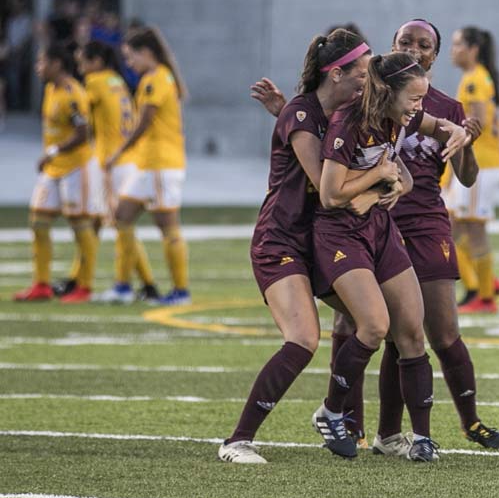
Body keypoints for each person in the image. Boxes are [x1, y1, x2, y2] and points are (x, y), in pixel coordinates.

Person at [218, 29, 373, 464]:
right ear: (336, 73)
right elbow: (327, 184)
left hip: (320, 240)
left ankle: (337, 416)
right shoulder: (302, 116)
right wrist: (381, 175)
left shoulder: (324, 112)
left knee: (374, 320)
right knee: (303, 339)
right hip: (281, 240)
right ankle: (237, 441)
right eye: (361, 73)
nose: (368, 81)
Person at [311, 51, 467, 462]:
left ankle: (420, 438)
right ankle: (331, 411)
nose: (420, 107)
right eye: (414, 98)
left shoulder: (406, 117)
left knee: (412, 332)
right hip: (340, 232)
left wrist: (456, 134)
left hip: (379, 229)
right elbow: (329, 194)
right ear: (387, 92)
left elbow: (435, 137)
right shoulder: (350, 122)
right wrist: (378, 178)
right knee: (375, 325)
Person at [69, 41, 159, 303]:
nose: (81, 68)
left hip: (110, 162)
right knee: (107, 223)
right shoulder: (116, 81)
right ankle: (79, 278)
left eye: (82, 62)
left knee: (119, 224)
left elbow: (76, 110)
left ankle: (130, 285)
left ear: (96, 61)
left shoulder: (95, 82)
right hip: (125, 159)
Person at [106, 26, 190, 306]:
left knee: (167, 225)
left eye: (131, 57)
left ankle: (181, 291)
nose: (129, 63)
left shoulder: (158, 80)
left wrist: (118, 152)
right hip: (147, 164)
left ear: (146, 53)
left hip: (160, 164)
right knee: (122, 216)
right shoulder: (151, 79)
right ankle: (123, 286)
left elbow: (143, 124)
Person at [13, 44, 101, 303]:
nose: (38, 68)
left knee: (79, 224)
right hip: (54, 168)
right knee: (38, 221)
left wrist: (52, 151)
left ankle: (84, 287)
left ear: (56, 64)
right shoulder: (51, 90)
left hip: (76, 167)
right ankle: (41, 285)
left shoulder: (73, 94)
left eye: (42, 63)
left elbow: (83, 133)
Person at [448, 27, 499, 314]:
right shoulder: (475, 77)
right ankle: (484, 283)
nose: (453, 49)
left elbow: (480, 123)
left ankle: (484, 296)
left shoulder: (475, 80)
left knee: (473, 229)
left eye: (458, 44)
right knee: (452, 227)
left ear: (472, 49)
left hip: (479, 166)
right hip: (482, 165)